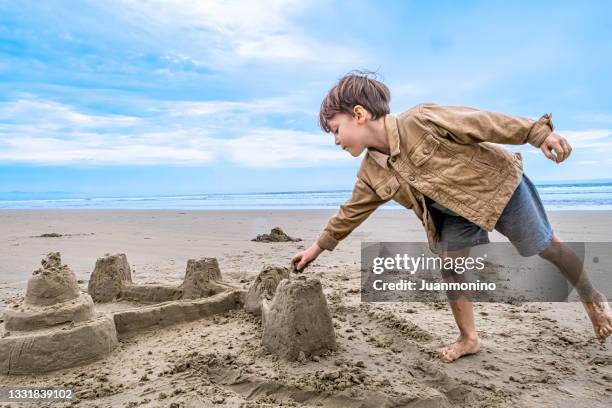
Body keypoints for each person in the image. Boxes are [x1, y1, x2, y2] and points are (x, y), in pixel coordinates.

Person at [291, 70, 612, 362]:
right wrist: (315, 248)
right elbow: (350, 213)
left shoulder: (419, 120)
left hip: (497, 186)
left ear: (358, 114)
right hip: (455, 213)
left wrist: (537, 134)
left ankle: (591, 298)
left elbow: (481, 122)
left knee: (547, 247)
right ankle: (469, 338)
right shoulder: (371, 172)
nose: (335, 141)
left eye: (336, 130)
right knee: (450, 266)